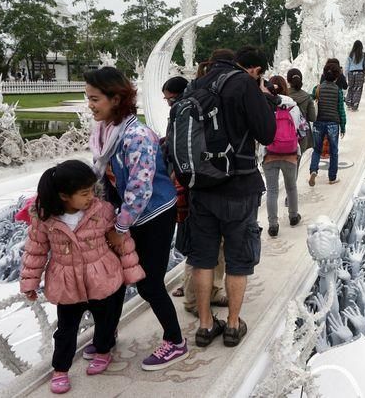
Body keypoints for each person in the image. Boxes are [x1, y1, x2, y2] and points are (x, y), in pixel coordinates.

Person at [84, 67, 187, 371]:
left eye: (94, 98)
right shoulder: (105, 131)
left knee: (148, 283)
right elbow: (103, 177)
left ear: (116, 99)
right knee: (112, 279)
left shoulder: (136, 135)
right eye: (87, 98)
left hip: (154, 214)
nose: (89, 104)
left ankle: (175, 341)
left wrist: (119, 228)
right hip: (126, 216)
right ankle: (106, 336)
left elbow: (140, 189)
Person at [20, 160, 145, 394]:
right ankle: (60, 369)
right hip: (67, 283)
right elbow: (35, 250)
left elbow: (123, 242)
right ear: (64, 196)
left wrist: (131, 271)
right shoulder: (45, 218)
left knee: (106, 320)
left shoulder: (102, 211)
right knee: (66, 329)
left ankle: (103, 351)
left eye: (92, 191)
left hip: (103, 276)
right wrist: (30, 281)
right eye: (84, 193)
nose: (91, 198)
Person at [187, 46, 276, 349]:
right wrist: (262, 97)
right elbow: (267, 134)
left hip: (200, 185)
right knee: (237, 259)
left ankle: (204, 325)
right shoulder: (243, 84)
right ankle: (233, 326)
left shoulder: (195, 84)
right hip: (239, 183)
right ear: (242, 65)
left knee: (203, 259)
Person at [161, 76, 228, 311]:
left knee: (209, 246)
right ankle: (194, 295)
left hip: (195, 190)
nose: (169, 104)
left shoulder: (188, 113)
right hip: (192, 192)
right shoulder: (187, 113)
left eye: (169, 99)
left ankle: (208, 291)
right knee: (200, 248)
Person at [262, 75, 303, 236]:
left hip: (270, 152)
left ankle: (273, 224)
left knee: (272, 190)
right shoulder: (293, 105)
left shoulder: (264, 105)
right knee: (291, 187)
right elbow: (298, 127)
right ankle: (293, 216)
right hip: (290, 152)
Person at [308, 62, 346, 186]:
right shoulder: (338, 90)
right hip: (333, 124)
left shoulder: (317, 88)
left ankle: (313, 171)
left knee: (317, 150)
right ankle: (332, 177)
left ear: (324, 74)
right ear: (336, 77)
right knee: (334, 152)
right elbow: (341, 110)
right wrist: (343, 127)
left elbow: (311, 101)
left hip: (318, 122)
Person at [287, 68, 316, 163]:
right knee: (295, 164)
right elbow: (312, 118)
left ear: (288, 80)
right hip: (301, 135)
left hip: (284, 133)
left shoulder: (283, 95)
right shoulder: (307, 97)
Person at [345, 40, 365, 111]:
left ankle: (348, 103)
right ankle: (355, 105)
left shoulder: (350, 54)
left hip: (351, 73)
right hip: (360, 73)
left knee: (351, 88)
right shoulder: (363, 55)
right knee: (358, 89)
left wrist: (346, 75)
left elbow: (347, 66)